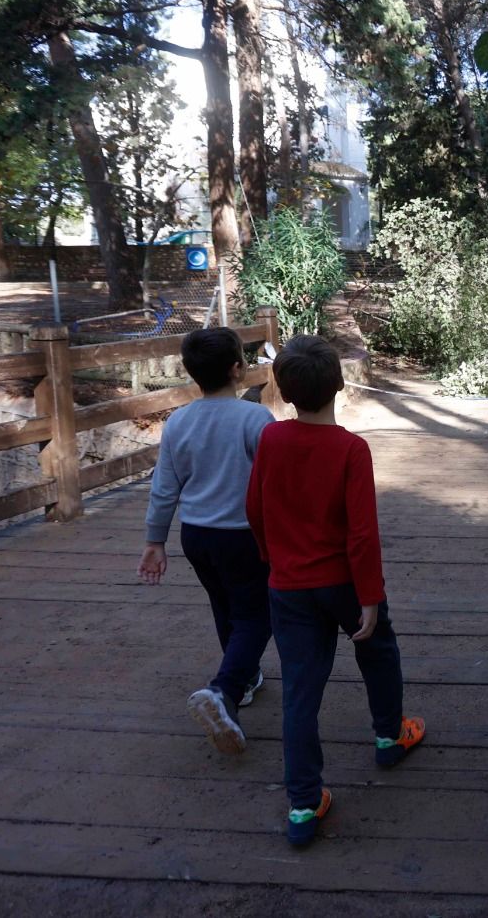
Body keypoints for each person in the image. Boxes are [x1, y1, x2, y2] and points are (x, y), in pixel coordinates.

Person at [246, 334, 425, 847]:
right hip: (345, 583)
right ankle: (390, 736)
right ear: (339, 386)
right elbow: (361, 532)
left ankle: (304, 804)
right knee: (377, 648)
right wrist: (369, 594)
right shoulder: (351, 449)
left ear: (282, 388)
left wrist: (270, 558)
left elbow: (254, 509)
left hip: (289, 585)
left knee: (301, 691)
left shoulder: (272, 440)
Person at [140, 327, 276, 755]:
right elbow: (273, 484)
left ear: (190, 372)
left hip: (196, 535)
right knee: (258, 614)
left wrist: (155, 541)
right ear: (238, 369)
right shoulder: (255, 419)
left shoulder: (179, 421)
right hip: (244, 535)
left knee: (225, 605)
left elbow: (165, 487)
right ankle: (225, 690)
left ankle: (246, 678)